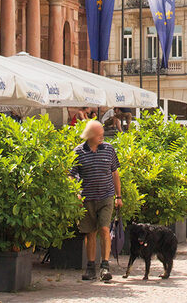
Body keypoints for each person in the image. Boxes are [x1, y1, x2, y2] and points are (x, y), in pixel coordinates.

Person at [70, 120, 123, 282]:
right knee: (90, 233)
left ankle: (105, 266)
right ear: (90, 135)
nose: (102, 136)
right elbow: (71, 175)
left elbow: (115, 173)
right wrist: (76, 193)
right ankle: (91, 266)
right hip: (87, 198)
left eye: (102, 134)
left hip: (106, 196)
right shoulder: (78, 152)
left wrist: (119, 196)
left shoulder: (108, 149)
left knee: (105, 229)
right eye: (99, 134)